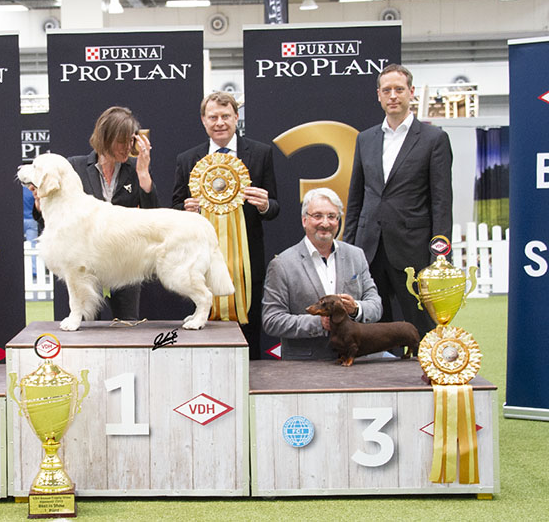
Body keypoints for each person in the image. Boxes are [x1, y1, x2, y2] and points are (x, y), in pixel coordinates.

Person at [344, 64, 453, 342]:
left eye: (399, 89)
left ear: (411, 92)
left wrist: (439, 258)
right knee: (372, 331)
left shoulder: (434, 139)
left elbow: (441, 203)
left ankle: (424, 366)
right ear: (378, 95)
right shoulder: (365, 139)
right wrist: (348, 248)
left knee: (420, 331)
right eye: (387, 90)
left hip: (413, 251)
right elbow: (355, 199)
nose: (393, 95)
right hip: (369, 249)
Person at [172, 91, 279, 359]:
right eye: (213, 117)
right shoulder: (187, 159)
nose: (219, 122)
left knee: (248, 335)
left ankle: (250, 378)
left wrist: (264, 205)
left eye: (225, 116)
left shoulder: (261, 153)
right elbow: (174, 210)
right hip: (200, 262)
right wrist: (185, 210)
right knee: (200, 332)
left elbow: (274, 208)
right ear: (203, 120)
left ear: (236, 117)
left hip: (246, 264)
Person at [61, 106, 159, 320]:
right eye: (122, 141)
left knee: (128, 325)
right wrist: (40, 205)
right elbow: (60, 219)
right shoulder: (74, 167)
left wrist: (143, 174)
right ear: (105, 138)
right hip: (85, 263)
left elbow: (153, 216)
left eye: (131, 141)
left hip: (124, 262)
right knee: (84, 327)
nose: (128, 147)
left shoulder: (136, 167)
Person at [262, 188, 382, 360]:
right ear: (304, 220)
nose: (325, 223)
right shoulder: (282, 264)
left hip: (355, 362)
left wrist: (356, 309)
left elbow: (376, 305)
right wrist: (319, 323)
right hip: (305, 366)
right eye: (317, 216)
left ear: (338, 221)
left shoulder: (356, 255)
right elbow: (271, 320)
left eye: (332, 216)